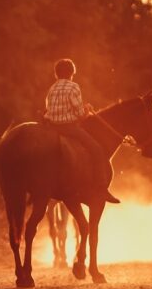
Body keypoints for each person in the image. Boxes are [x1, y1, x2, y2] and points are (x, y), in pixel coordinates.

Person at [44, 58, 120, 204]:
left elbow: (49, 110)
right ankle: (102, 188)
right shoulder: (73, 87)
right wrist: (87, 110)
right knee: (97, 149)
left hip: (51, 128)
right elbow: (79, 114)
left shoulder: (52, 89)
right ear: (71, 73)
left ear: (56, 74)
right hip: (68, 128)